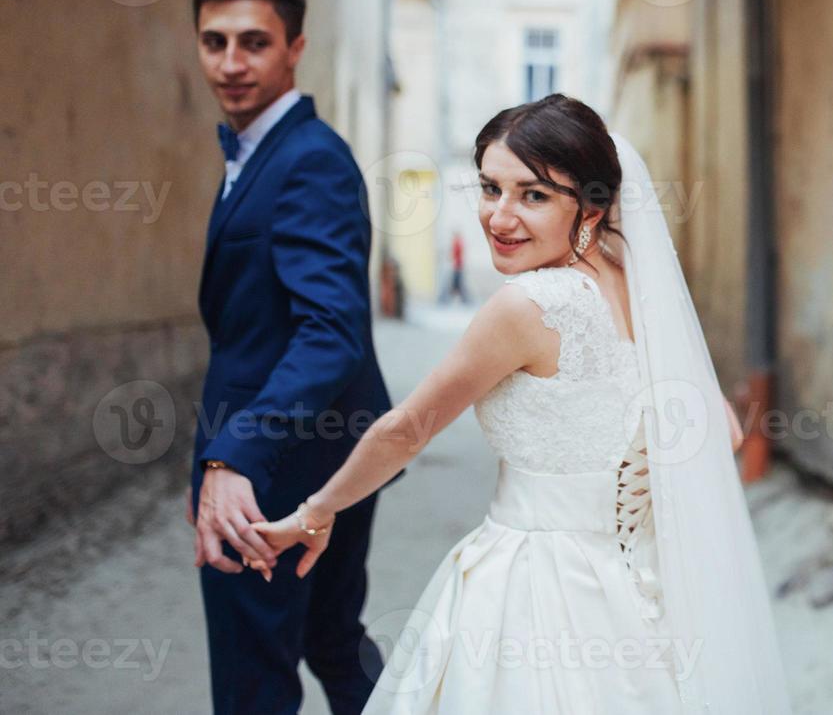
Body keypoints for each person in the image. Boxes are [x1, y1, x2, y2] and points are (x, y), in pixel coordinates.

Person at [251, 93, 792, 713]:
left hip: (534, 586)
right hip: (638, 592)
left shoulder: (528, 306)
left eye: (533, 195)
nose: (499, 217)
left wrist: (315, 512)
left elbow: (405, 431)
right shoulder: (636, 277)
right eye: (489, 188)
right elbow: (720, 430)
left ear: (590, 204)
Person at [188, 0, 401, 714]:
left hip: (276, 464)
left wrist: (232, 455)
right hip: (317, 450)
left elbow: (330, 330)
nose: (232, 63)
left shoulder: (308, 159)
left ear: (295, 47)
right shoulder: (257, 155)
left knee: (254, 680)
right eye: (214, 42)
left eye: (254, 41)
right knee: (334, 643)